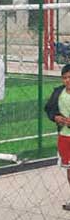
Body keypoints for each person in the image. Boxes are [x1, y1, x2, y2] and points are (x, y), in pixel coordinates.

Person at [44, 63, 70, 210]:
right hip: (64, 136)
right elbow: (48, 109)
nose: (67, 80)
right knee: (69, 170)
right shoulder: (58, 93)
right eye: (64, 78)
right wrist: (55, 117)